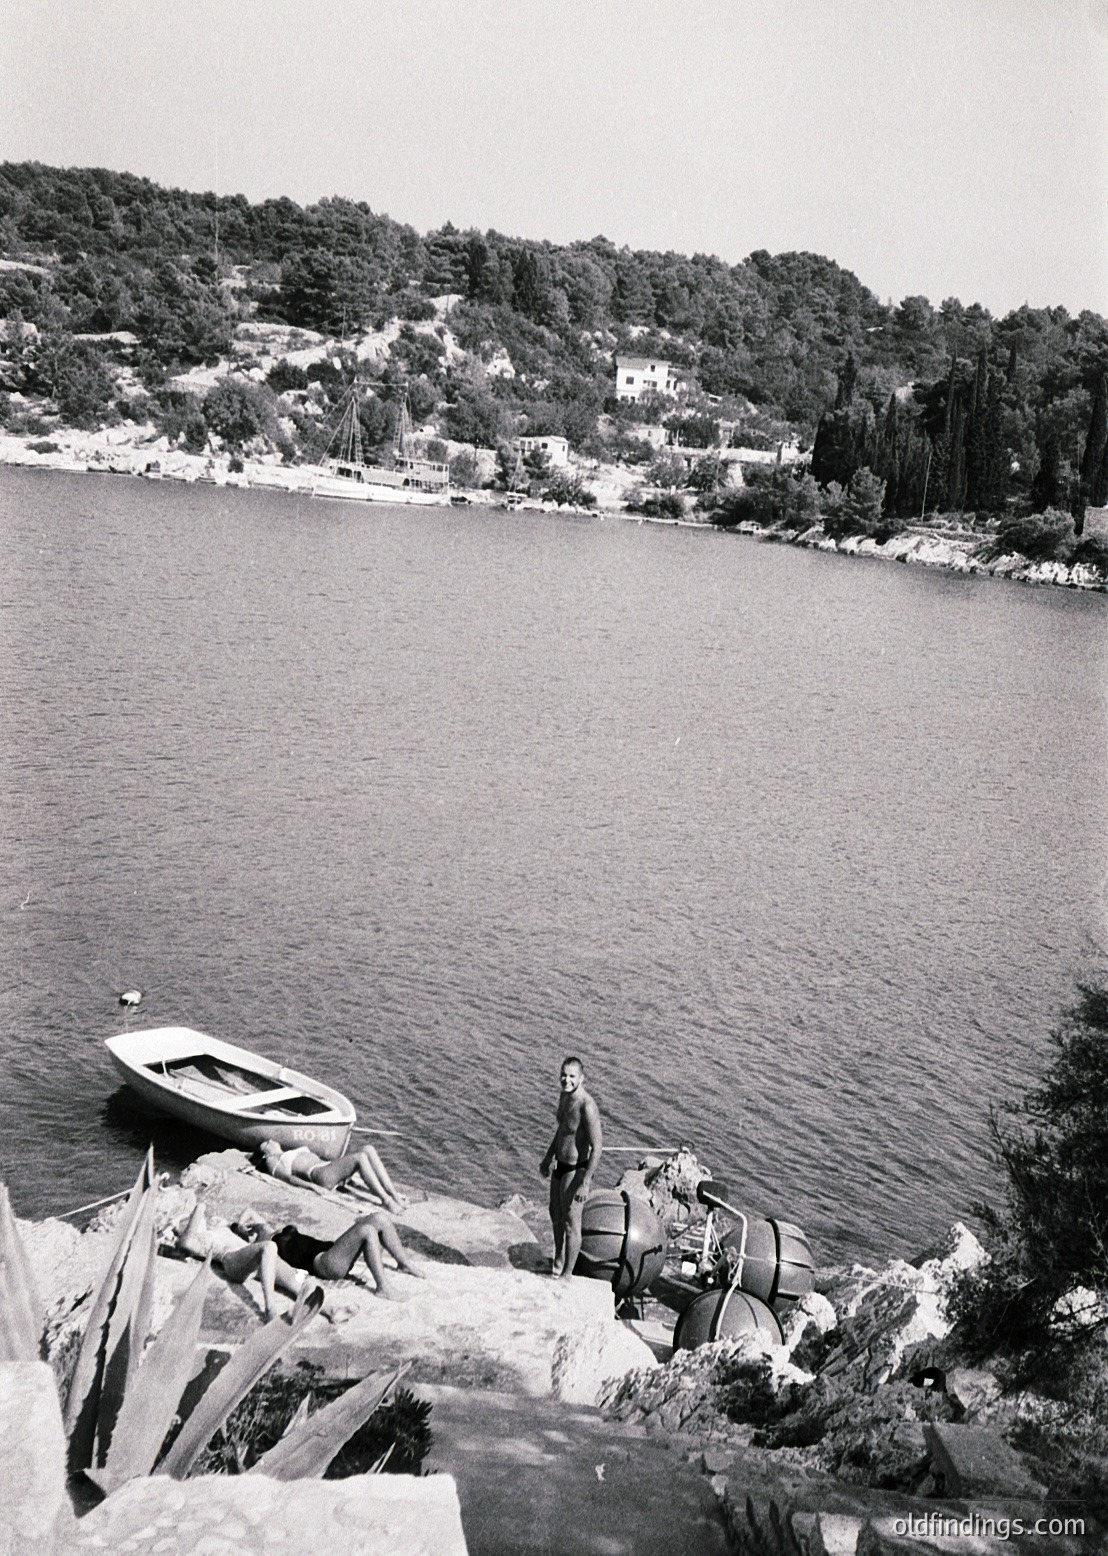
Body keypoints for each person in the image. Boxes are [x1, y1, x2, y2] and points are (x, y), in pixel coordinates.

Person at [175, 1201, 325, 1323]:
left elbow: (251, 1214)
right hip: (233, 1261)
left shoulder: (229, 1231)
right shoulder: (201, 1238)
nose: (215, 1218)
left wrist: (239, 1227)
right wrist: (199, 1208)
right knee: (269, 1247)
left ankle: (329, 1310)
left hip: (255, 1257)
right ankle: (270, 1309)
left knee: (297, 1281)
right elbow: (186, 1242)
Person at [539, 1055, 603, 1278]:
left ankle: (567, 1274)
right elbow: (563, 1131)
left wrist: (586, 1183)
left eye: (572, 1076)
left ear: (582, 1078)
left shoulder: (587, 1106)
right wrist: (548, 1157)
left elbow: (597, 1147)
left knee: (570, 1222)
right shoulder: (563, 1097)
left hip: (577, 1169)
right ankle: (558, 1259)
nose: (566, 1080)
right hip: (560, 1164)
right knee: (555, 1213)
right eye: (563, 1075)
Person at [270, 1210, 426, 1302]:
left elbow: (256, 1218)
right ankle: (383, 1287)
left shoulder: (275, 1232)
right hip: (323, 1264)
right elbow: (251, 1221)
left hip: (332, 1251)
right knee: (367, 1231)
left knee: (379, 1217)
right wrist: (247, 1228)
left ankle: (404, 1264)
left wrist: (255, 1224)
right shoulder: (267, 1244)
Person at [258, 1139, 406, 1214]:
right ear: (265, 1152)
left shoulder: (288, 1151)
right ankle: (386, 1200)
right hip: (321, 1175)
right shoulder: (272, 1160)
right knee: (360, 1157)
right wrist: (312, 1186)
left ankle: (392, 1193)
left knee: (368, 1149)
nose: (271, 1141)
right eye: (266, 1143)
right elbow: (287, 1179)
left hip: (329, 1168)